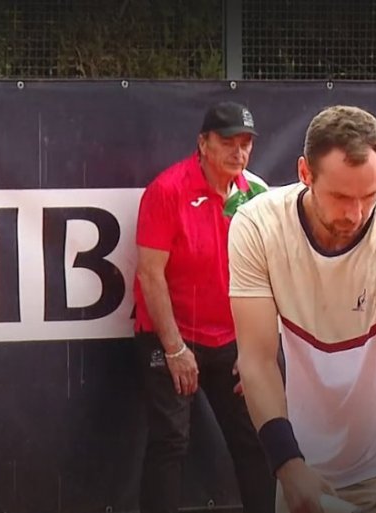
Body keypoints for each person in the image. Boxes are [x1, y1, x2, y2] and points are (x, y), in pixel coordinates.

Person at [227, 105, 376, 513]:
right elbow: (256, 361)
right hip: (306, 449)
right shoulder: (256, 226)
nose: (355, 213)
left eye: (370, 196)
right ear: (304, 173)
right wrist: (289, 467)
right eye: (341, 197)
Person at [133, 101, 275, 513]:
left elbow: (268, 277)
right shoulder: (167, 190)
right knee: (171, 439)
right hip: (170, 336)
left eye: (245, 143)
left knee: (255, 437)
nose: (238, 152)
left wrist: (256, 352)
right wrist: (175, 349)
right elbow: (150, 274)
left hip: (232, 339)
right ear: (203, 143)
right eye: (228, 142)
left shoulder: (258, 195)